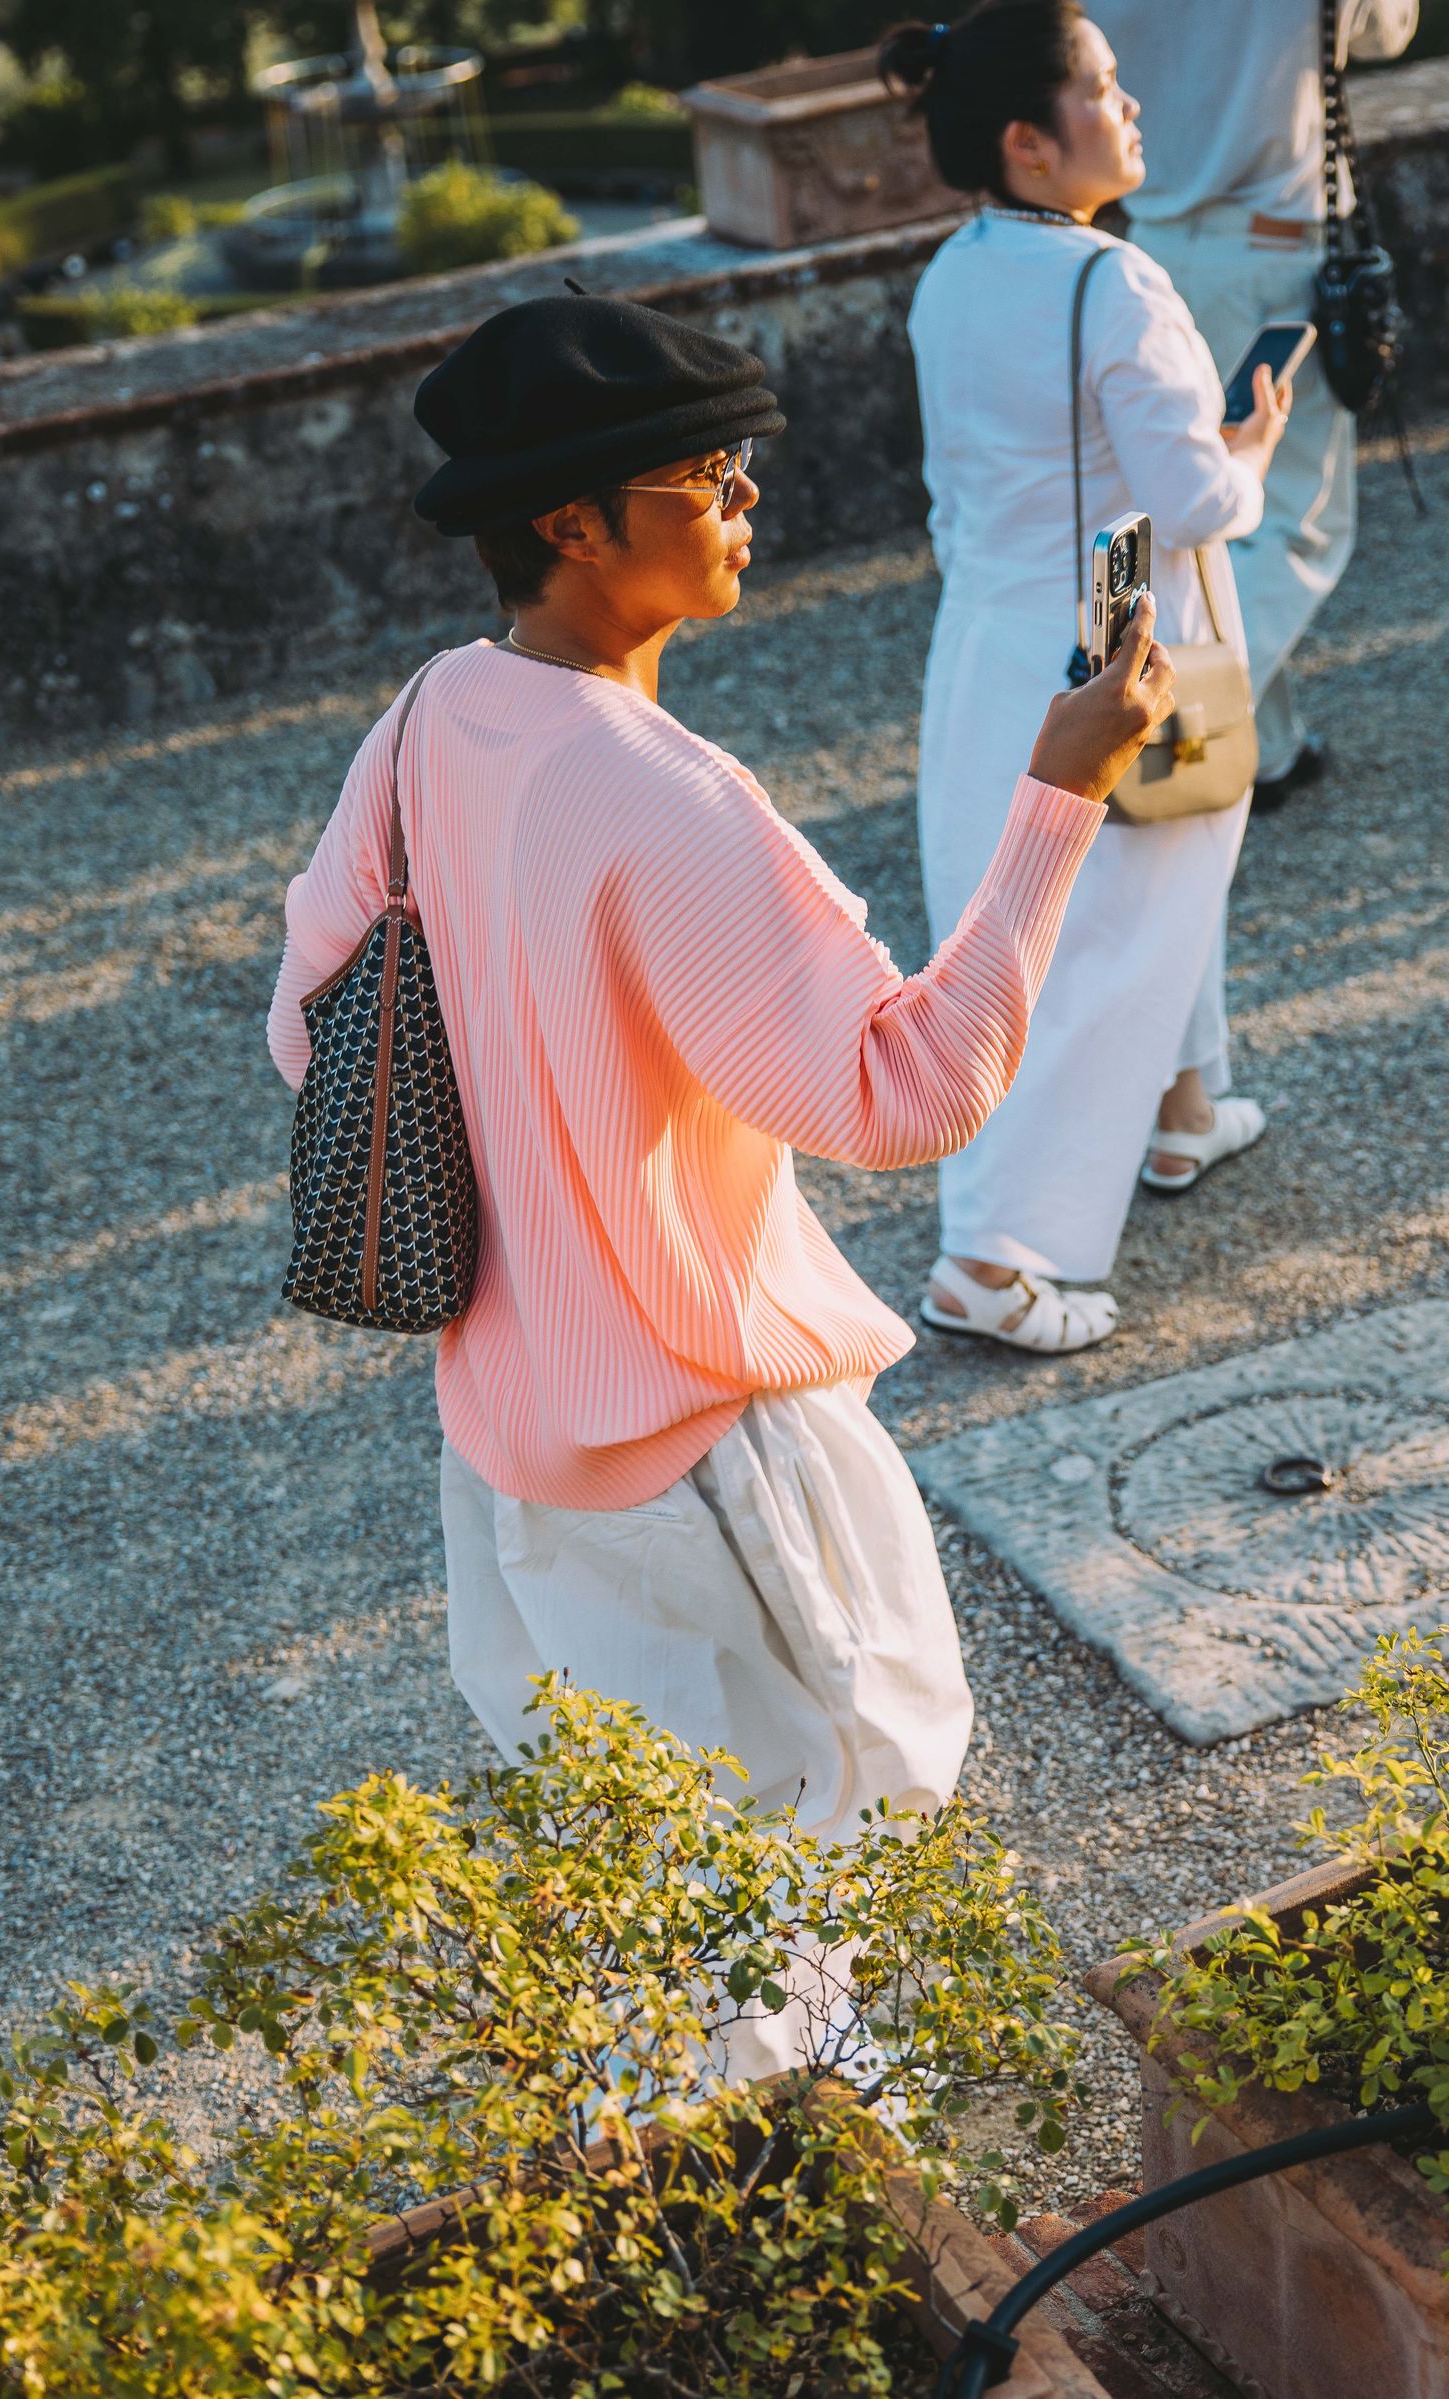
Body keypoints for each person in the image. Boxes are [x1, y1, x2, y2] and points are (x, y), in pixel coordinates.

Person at [267, 292, 1173, 2069]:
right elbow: (910, 1090)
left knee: (667, 1909)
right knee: (828, 1874)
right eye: (708, 473)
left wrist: (542, 1119)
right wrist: (1057, 797)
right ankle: (848, 2202)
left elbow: (309, 1025)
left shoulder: (433, 719)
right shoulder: (667, 796)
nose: (750, 497)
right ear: (574, 521)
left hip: (516, 1433)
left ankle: (719, 2199)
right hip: (708, 1434)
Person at [885, 1, 1292, 1353]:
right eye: (1104, 89)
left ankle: (1181, 1107)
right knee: (1098, 937)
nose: (1130, 108)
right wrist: (1251, 446)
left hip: (989, 644)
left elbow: (966, 489)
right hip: (1105, 651)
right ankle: (988, 1261)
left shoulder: (951, 273)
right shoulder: (1114, 282)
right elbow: (1194, 500)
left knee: (1039, 923)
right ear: (1029, 140)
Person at [1091, 1, 1418, 811]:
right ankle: (1162, 727)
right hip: (1271, 252)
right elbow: (1385, 29)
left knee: (1212, 513)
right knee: (1299, 525)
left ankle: (1265, 752)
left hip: (1153, 245)